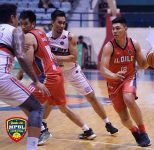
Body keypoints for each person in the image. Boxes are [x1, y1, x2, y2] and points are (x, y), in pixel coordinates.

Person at [17, 10, 96, 145]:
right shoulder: (41, 33)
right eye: (21, 24)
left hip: (48, 76)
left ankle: (42, 131)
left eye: (26, 24)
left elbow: (28, 61)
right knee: (63, 107)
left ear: (33, 24)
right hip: (57, 73)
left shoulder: (28, 37)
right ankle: (87, 130)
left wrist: (20, 72)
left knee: (23, 99)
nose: (23, 27)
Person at [43, 9, 118, 141]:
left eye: (63, 23)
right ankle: (42, 122)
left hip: (73, 72)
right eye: (59, 22)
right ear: (52, 22)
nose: (61, 25)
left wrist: (56, 58)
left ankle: (108, 123)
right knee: (51, 99)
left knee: (92, 97)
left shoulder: (70, 36)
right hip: (57, 73)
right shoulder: (46, 38)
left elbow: (73, 58)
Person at [0, 3, 50, 150]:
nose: (17, 20)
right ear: (12, 17)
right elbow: (22, 57)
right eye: (16, 17)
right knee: (36, 108)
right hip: (2, 77)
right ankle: (31, 147)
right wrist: (36, 81)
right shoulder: (15, 31)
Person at [100, 16, 151, 147]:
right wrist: (114, 75)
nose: (115, 31)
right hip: (113, 83)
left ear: (125, 28)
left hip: (129, 77)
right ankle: (135, 131)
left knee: (129, 99)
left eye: (118, 28)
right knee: (124, 118)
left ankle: (143, 132)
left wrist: (150, 58)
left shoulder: (134, 44)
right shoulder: (109, 47)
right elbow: (103, 70)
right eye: (113, 29)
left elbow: (143, 65)